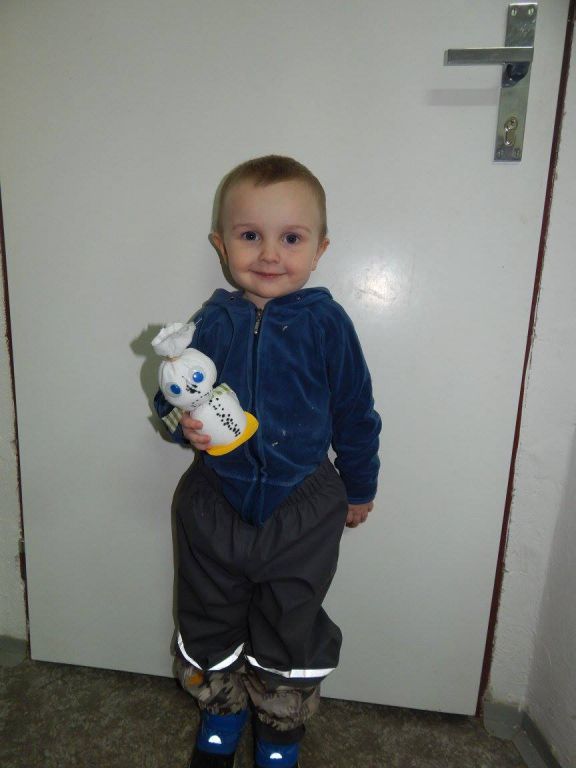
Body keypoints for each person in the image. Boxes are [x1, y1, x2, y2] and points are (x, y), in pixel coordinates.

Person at [154, 155, 381, 768]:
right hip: (213, 501)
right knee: (207, 614)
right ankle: (221, 715)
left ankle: (280, 733)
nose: (270, 254)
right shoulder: (211, 322)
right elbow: (172, 395)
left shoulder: (328, 325)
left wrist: (360, 486)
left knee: (290, 621)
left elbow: (356, 411)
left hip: (302, 507)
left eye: (292, 238)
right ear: (221, 244)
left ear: (321, 248)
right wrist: (181, 422)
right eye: (250, 235)